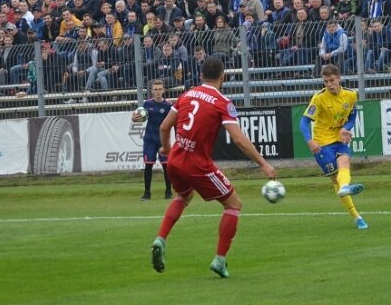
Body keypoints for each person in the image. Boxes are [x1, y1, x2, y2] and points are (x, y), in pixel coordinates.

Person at [152, 57, 276, 278]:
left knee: (182, 196)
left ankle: (160, 238)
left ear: (201, 76)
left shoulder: (186, 95)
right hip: (198, 164)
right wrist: (264, 164)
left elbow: (164, 127)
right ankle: (220, 260)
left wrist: (166, 148)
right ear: (223, 77)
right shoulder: (222, 102)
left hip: (175, 161)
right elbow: (238, 139)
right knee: (234, 204)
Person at [300, 64, 368, 230]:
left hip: (339, 139)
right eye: (326, 81)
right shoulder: (319, 98)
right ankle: (356, 216)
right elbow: (304, 122)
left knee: (344, 163)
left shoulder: (351, 95)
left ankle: (345, 187)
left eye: (332, 80)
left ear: (339, 78)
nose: (329, 84)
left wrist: (346, 128)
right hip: (322, 143)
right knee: (336, 177)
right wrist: (310, 140)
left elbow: (352, 117)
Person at [134, 79, 174, 201]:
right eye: (155, 89)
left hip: (163, 140)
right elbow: (140, 117)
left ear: (163, 90)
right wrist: (135, 118)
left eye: (160, 89)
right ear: (151, 91)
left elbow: (173, 122)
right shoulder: (147, 104)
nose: (157, 92)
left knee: (166, 167)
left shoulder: (168, 106)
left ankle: (168, 191)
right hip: (150, 140)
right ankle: (147, 194)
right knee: (148, 166)